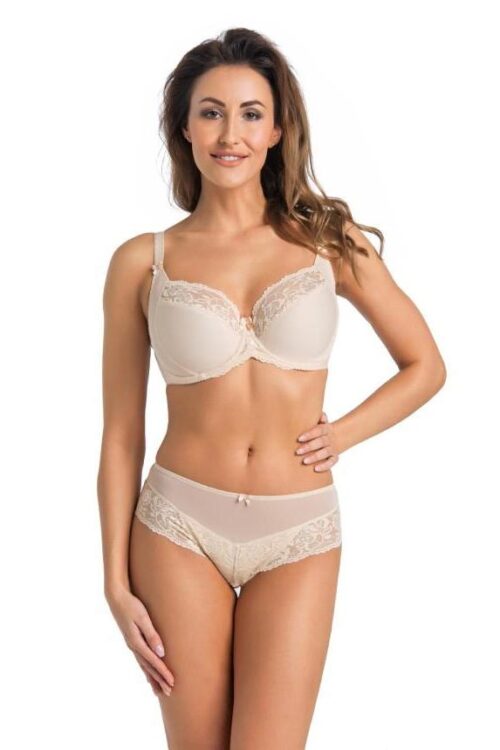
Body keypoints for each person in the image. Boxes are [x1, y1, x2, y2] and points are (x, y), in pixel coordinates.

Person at [97, 27, 446, 750]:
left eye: (251, 114)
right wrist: (114, 583)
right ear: (184, 128)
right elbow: (121, 434)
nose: (231, 134)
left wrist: (343, 434)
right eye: (211, 112)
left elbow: (425, 365)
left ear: (278, 129)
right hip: (177, 528)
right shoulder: (141, 261)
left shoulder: (328, 241)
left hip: (300, 532)